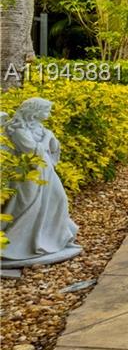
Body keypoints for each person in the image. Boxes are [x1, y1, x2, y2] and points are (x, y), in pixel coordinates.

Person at [1, 98, 82, 266]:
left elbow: (51, 148)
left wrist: (51, 140)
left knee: (59, 200)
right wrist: (47, 138)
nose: (49, 114)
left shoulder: (37, 126)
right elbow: (33, 152)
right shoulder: (17, 129)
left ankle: (57, 239)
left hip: (46, 170)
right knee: (28, 209)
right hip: (29, 175)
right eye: (47, 110)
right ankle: (17, 248)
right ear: (35, 111)